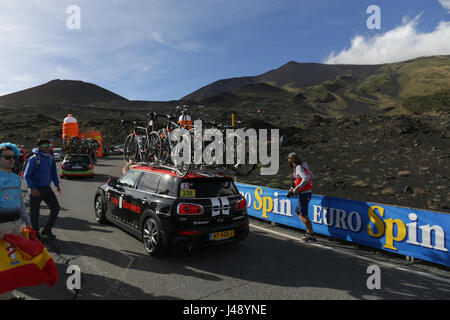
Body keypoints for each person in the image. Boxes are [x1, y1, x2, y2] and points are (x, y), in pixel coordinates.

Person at [0, 143, 31, 300]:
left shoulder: (16, 178)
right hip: (1, 227)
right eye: (7, 157)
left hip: (16, 225)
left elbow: (20, 202)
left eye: (14, 157)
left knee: (12, 263)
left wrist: (27, 221)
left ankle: (8, 295)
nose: (12, 160)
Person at [23, 139, 61, 240]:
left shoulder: (50, 157)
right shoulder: (34, 158)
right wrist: (32, 188)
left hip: (46, 188)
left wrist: (57, 184)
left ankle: (47, 230)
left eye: (49, 146)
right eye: (45, 146)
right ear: (39, 146)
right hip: (36, 189)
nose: (48, 147)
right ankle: (35, 234)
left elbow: (53, 172)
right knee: (35, 213)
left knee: (55, 208)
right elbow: (26, 176)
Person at [287, 152, 317, 242]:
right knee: (297, 212)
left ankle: (311, 234)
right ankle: (308, 231)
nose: (288, 161)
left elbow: (306, 178)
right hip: (304, 193)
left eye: (289, 159)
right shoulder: (301, 167)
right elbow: (312, 176)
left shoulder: (299, 167)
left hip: (304, 194)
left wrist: (297, 187)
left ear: (291, 160)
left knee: (303, 214)